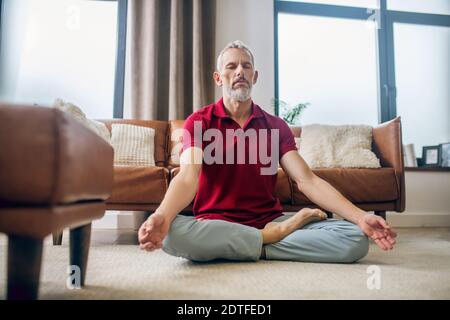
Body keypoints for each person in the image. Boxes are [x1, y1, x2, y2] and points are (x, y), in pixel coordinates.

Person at [138, 40, 397, 263]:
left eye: (246, 66)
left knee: (354, 240)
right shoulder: (199, 121)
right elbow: (187, 176)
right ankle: (271, 241)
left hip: (268, 219)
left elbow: (307, 180)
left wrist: (361, 217)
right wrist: (162, 215)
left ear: (255, 76)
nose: (240, 71)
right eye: (231, 66)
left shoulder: (275, 126)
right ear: (218, 78)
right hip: (216, 222)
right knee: (173, 236)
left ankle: (251, 243)